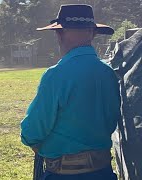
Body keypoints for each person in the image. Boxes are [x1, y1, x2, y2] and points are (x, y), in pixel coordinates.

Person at [20, 4, 121, 180]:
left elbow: (32, 131)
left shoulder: (55, 75)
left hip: (63, 174)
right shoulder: (109, 73)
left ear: (59, 34)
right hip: (103, 172)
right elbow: (111, 119)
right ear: (93, 33)